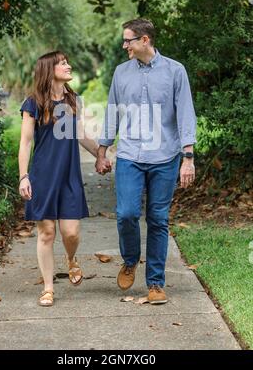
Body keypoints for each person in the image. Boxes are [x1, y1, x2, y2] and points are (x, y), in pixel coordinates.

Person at [96, 18, 197, 305]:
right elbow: (112, 111)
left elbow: (186, 114)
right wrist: (102, 151)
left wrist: (187, 157)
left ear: (144, 40)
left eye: (128, 40)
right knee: (126, 213)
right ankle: (130, 260)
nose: (124, 45)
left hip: (164, 156)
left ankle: (155, 283)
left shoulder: (175, 71)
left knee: (158, 219)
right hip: (129, 154)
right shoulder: (121, 73)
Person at [18, 50, 109, 306]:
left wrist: (100, 155)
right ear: (50, 70)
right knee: (46, 232)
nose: (68, 66)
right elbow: (25, 143)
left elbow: (80, 135)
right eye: (62, 63)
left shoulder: (73, 100)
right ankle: (48, 288)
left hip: (69, 175)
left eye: (67, 62)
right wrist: (24, 176)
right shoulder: (33, 102)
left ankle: (71, 260)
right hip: (43, 176)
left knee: (71, 232)